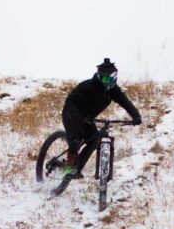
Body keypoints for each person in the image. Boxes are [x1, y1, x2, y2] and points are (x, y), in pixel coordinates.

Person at [55, 59, 141, 192]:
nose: (107, 82)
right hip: (71, 114)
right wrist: (76, 116)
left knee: (94, 139)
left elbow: (125, 102)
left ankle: (75, 169)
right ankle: (68, 169)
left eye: (110, 79)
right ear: (99, 77)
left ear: (115, 77)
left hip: (88, 118)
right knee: (76, 139)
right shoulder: (88, 86)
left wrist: (136, 116)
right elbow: (70, 101)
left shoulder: (114, 90)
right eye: (104, 79)